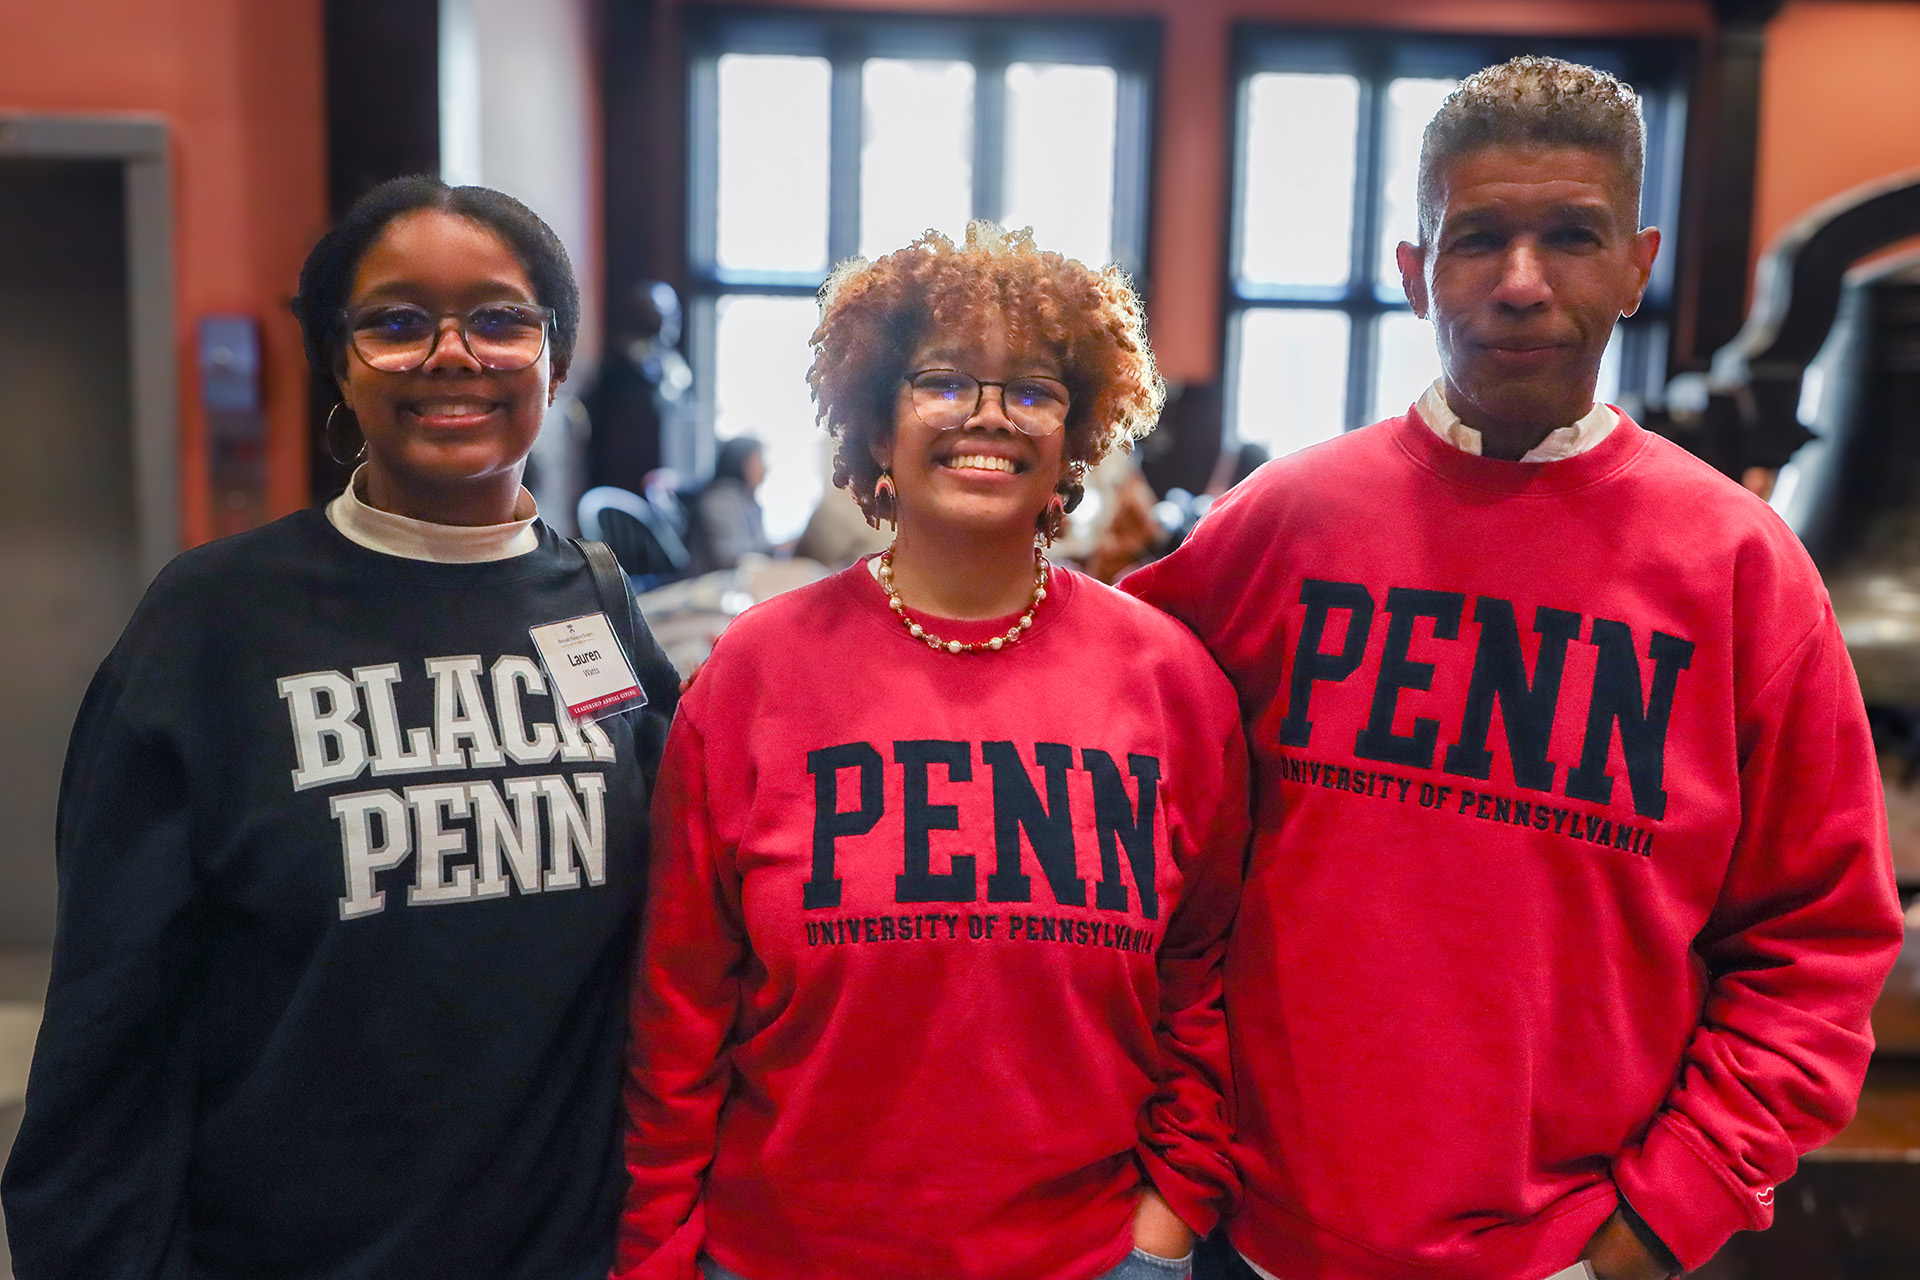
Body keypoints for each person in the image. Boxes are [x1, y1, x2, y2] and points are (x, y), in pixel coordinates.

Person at [1125, 56, 1904, 1280]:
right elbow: (1088, 772)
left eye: (1572, 236)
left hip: (1569, 1256)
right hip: (1251, 1235)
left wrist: (1648, 1230)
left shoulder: (1744, 573)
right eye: (1478, 237)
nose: (1523, 283)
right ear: (1413, 270)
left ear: (1638, 264)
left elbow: (1817, 949)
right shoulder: (1278, 527)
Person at [2, 175, 679, 1279]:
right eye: (397, 320)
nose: (453, 352)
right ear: (341, 360)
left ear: (553, 358)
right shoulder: (214, 621)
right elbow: (108, 1031)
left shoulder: (597, 604)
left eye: (503, 318)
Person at [615, 222, 1248, 1280]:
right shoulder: (755, 675)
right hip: (783, 1253)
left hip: (1089, 1255)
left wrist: (1168, 1214)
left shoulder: (1170, 682)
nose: (989, 415)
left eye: (1033, 389)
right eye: (944, 380)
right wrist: (657, 1257)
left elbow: (1204, 978)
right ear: (873, 419)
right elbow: (680, 1014)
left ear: (1078, 428)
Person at [686, 436, 772, 574]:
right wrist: (775, 550)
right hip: (710, 586)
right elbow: (729, 558)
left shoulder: (749, 500)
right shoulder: (721, 499)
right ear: (742, 463)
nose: (766, 468)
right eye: (759, 459)